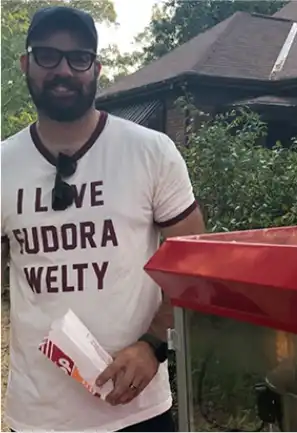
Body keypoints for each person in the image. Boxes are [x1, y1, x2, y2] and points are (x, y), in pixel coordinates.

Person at [1, 6, 205, 432]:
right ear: (26, 64)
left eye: (78, 58)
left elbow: (195, 259)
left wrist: (154, 345)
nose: (63, 70)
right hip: (39, 417)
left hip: (137, 412)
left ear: (95, 68)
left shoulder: (151, 152)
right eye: (47, 56)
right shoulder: (4, 165)